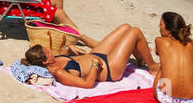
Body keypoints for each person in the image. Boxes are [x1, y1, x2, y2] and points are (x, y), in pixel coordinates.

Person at [22, 24, 157, 90]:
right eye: (48, 52)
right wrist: (94, 65)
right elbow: (87, 84)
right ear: (45, 61)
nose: (51, 51)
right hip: (109, 68)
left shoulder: (54, 60)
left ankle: (140, 59)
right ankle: (152, 67)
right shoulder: (59, 72)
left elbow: (64, 54)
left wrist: (69, 49)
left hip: (96, 55)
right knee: (135, 32)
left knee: (125, 27)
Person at [152, 12, 193, 103]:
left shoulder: (160, 40)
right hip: (192, 102)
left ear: (169, 31)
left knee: (163, 66)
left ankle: (165, 90)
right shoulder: (191, 43)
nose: (159, 26)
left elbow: (157, 52)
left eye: (161, 24)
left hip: (166, 97)